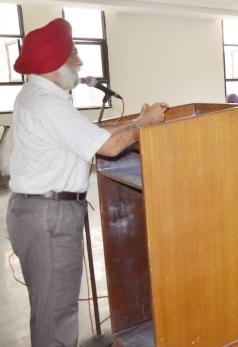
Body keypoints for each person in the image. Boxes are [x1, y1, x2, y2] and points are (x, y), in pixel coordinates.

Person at [7, 18, 167, 347]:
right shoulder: (48, 104)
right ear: (56, 61)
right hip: (48, 217)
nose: (80, 61)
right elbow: (107, 147)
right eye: (75, 53)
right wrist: (143, 123)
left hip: (36, 211)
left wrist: (133, 125)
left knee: (48, 309)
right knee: (57, 314)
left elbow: (90, 137)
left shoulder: (36, 96)